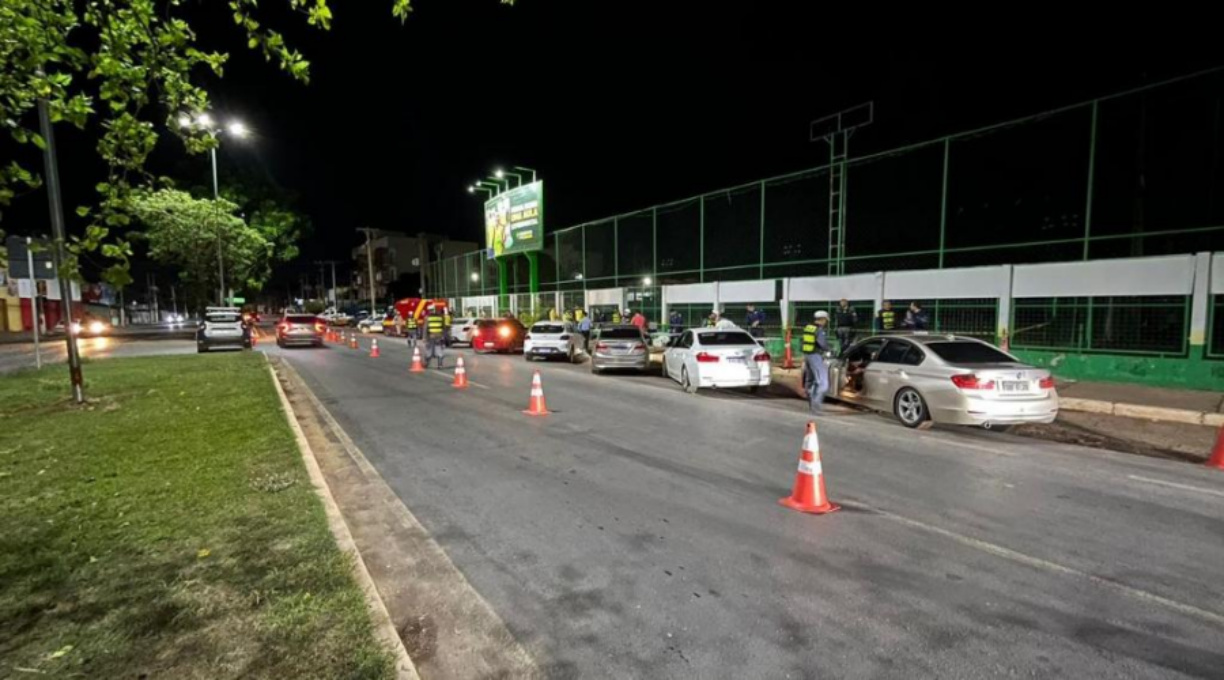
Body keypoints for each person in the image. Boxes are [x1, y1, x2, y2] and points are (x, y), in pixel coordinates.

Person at [801, 311, 831, 413]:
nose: (826, 322)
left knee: (810, 381)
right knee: (823, 383)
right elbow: (823, 344)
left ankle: (811, 403)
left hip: (807, 355)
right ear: (822, 319)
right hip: (815, 356)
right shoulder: (819, 330)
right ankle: (816, 406)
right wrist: (830, 349)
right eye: (825, 320)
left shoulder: (808, 327)